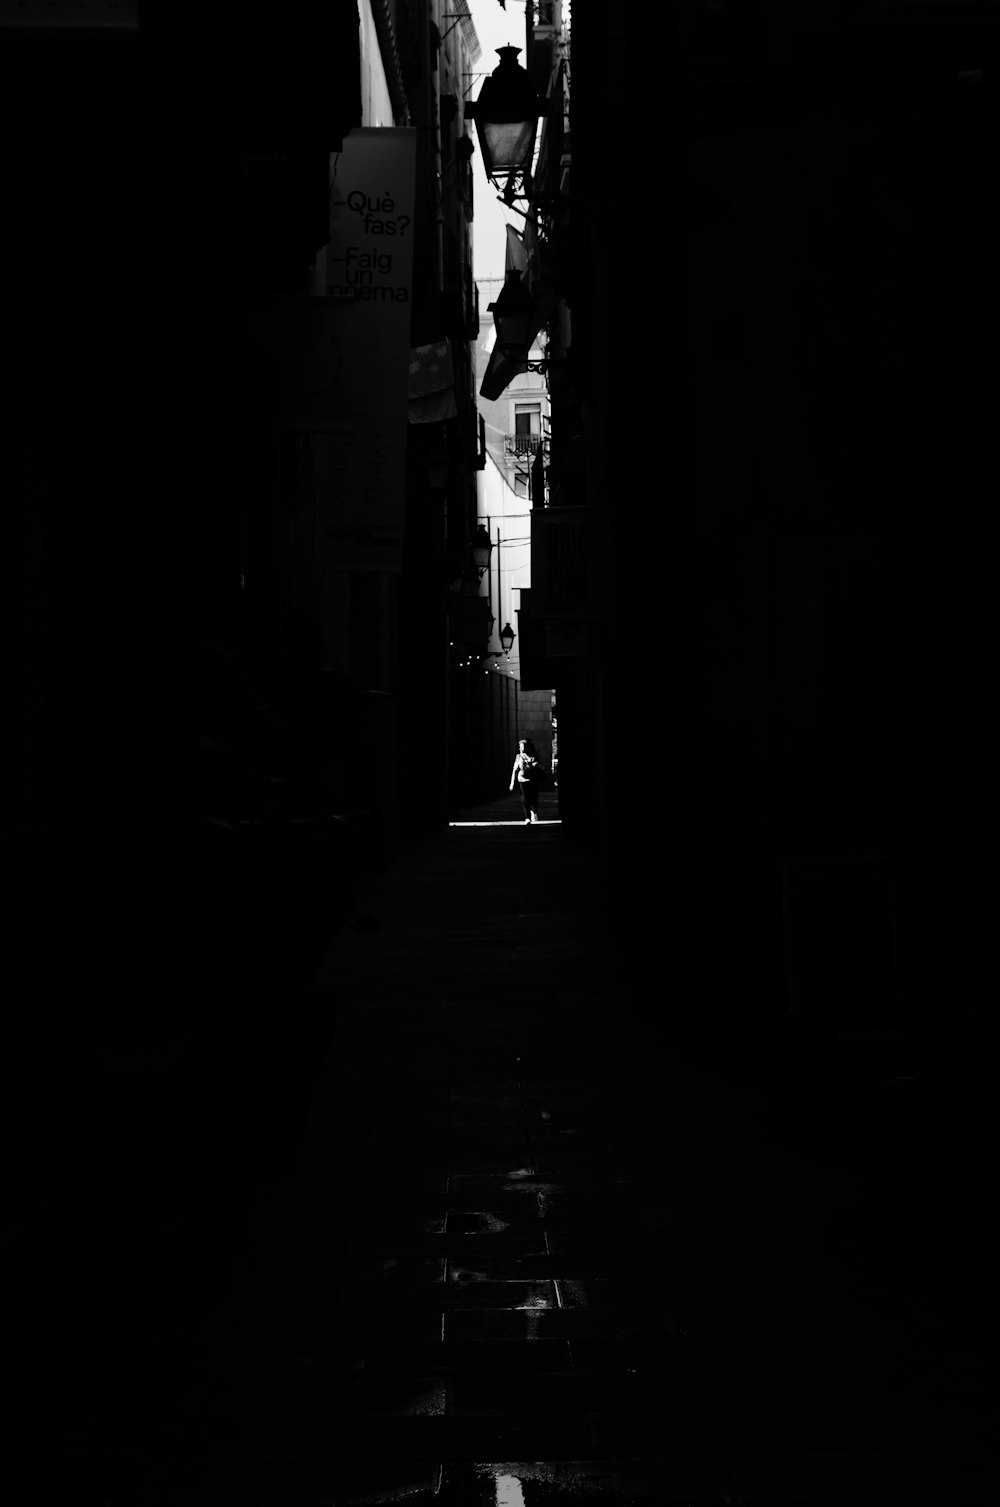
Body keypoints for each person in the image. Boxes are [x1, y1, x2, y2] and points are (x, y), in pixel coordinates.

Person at [510, 737, 543, 824]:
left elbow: (541, 767)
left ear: (527, 747)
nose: (521, 748)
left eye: (522, 747)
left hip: (533, 780)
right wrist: (512, 782)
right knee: (525, 798)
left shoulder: (534, 756)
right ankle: (527, 817)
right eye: (520, 747)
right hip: (522, 780)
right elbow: (515, 770)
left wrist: (536, 764)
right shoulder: (518, 756)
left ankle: (534, 811)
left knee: (534, 798)